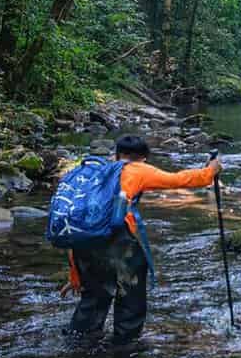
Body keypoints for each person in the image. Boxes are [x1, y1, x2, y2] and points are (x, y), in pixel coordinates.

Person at [67, 135, 222, 343]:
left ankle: (79, 341)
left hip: (82, 241)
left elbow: (74, 219)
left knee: (94, 294)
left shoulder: (96, 172)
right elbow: (181, 179)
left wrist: (74, 272)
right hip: (117, 239)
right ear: (145, 158)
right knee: (131, 295)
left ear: (116, 154)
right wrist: (211, 169)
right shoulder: (138, 169)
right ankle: (125, 346)